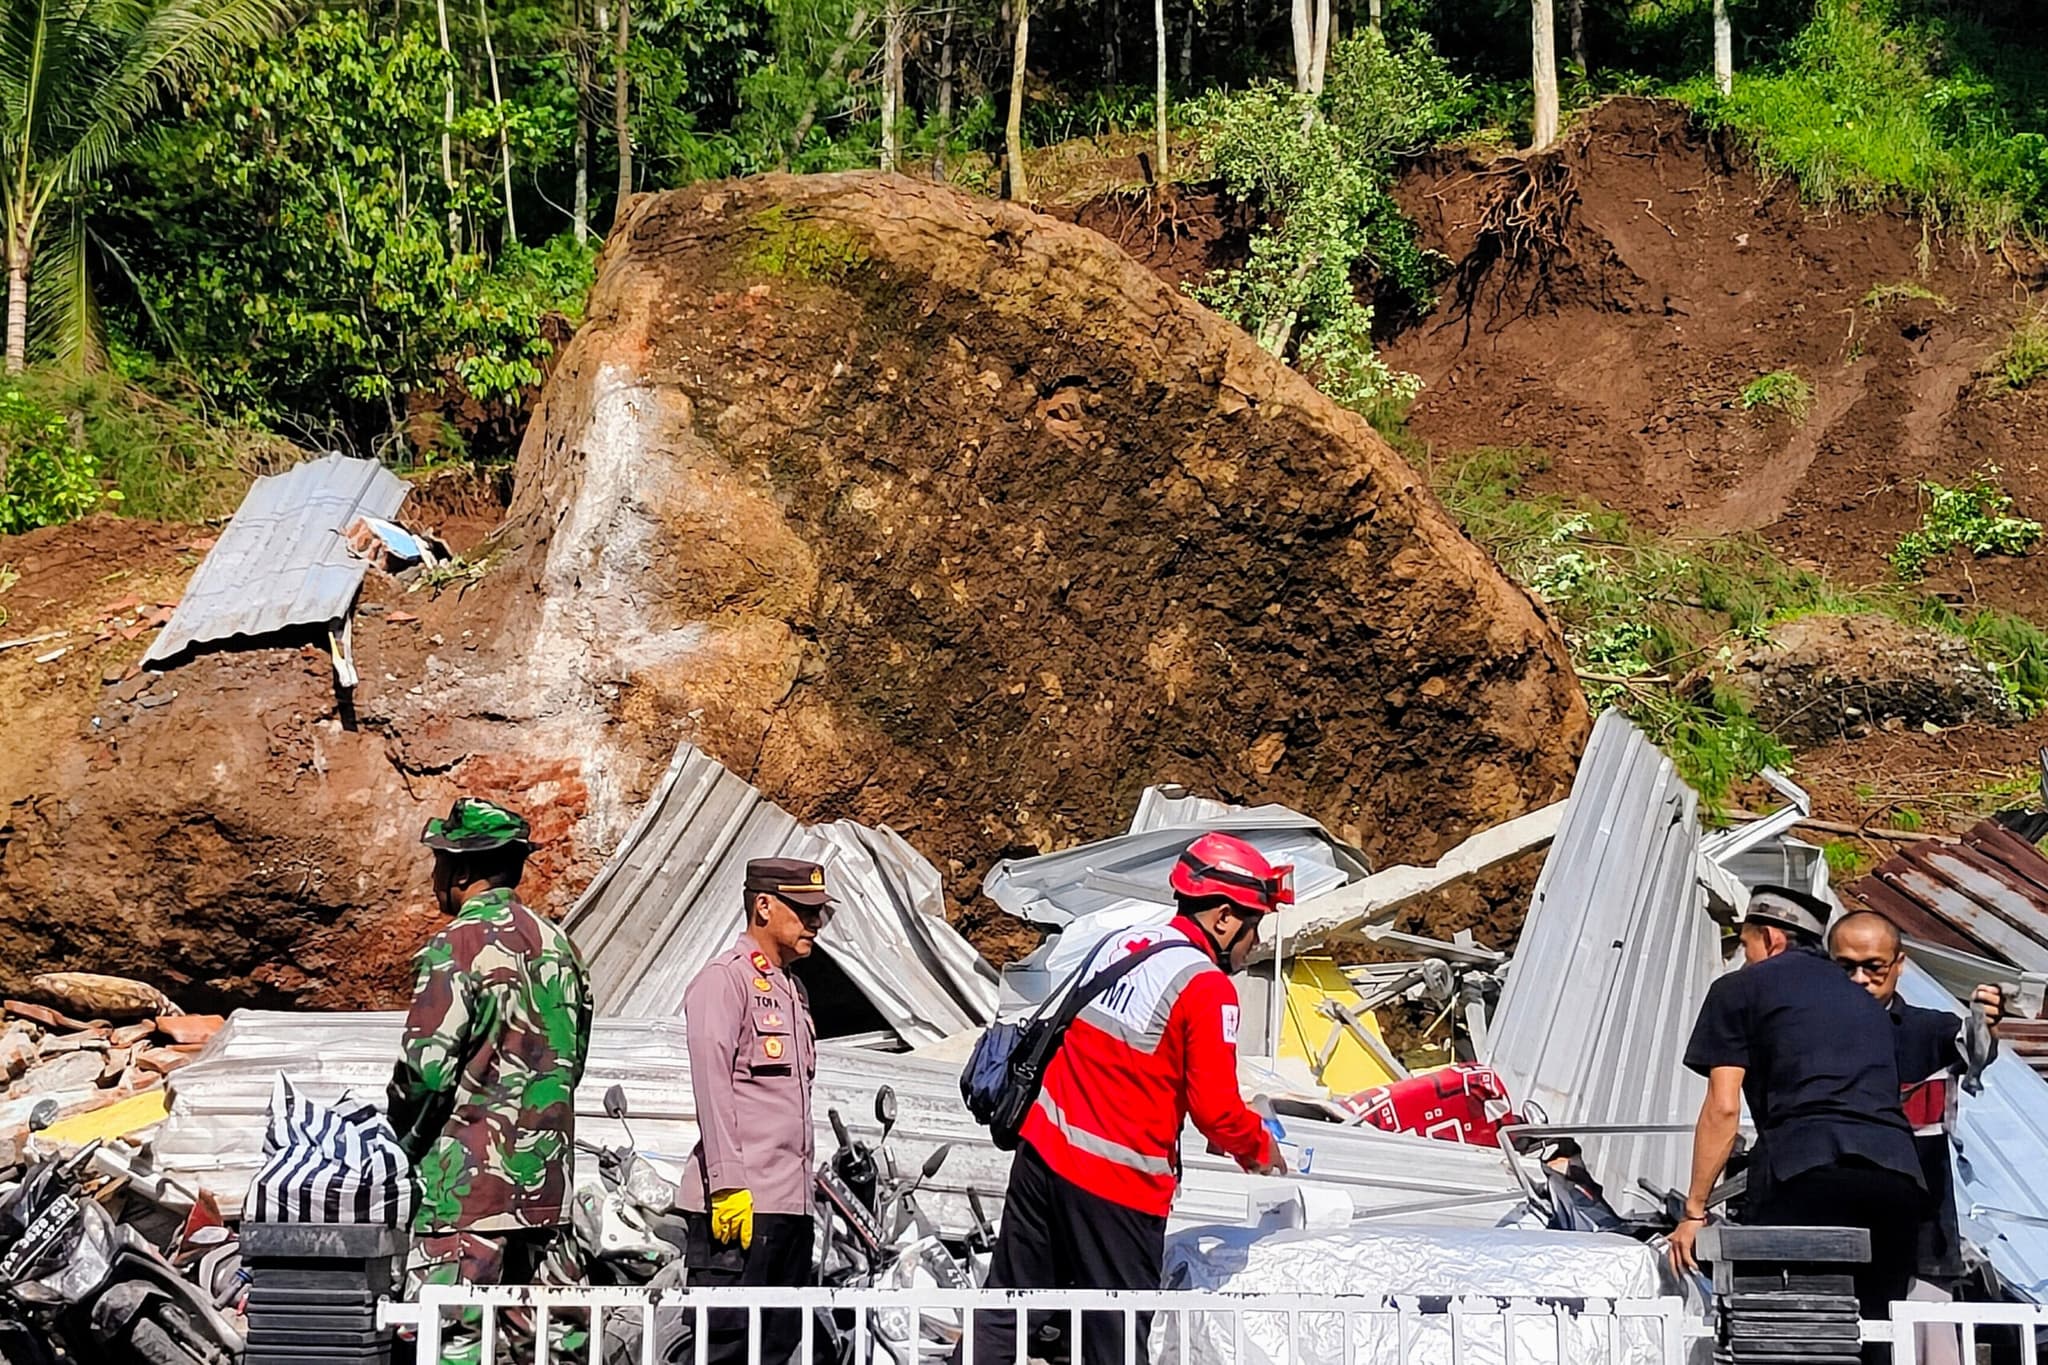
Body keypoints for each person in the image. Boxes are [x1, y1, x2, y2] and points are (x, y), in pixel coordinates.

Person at [960, 831, 1291, 1365]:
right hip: (1117, 1189)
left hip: (1041, 1155)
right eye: (1254, 927)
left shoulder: (1124, 944)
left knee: (1007, 1314)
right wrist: (1258, 1148)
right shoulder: (1207, 988)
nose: (1255, 944)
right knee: (1112, 1343)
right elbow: (1216, 1111)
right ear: (1224, 919)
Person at [387, 797, 594, 1365]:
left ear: (458, 871)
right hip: (546, 1194)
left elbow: (426, 1072)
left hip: (464, 1197)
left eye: (437, 865)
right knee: (546, 1349)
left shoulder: (455, 946)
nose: (435, 878)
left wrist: (397, 1147)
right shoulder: (563, 949)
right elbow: (570, 1063)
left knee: (450, 1346)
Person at [1670, 885, 1926, 1324]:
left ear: (1771, 938)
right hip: (1898, 1177)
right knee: (1878, 1327)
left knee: (1789, 1325)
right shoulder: (1864, 1001)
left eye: (1746, 944)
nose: (1743, 957)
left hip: (1805, 1171)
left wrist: (1695, 1210)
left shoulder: (1741, 989)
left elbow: (1723, 1108)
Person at [1828, 910, 2003, 1364]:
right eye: (1845, 967)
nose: (1860, 979)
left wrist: (1984, 1023)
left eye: (1874, 967)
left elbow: (1975, 1053)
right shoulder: (1805, 1034)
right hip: (1831, 1234)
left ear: (1899, 964)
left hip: (1919, 1237)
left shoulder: (1930, 1029)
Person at [680, 857, 833, 1365]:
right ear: (764, 906)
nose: (815, 924)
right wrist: (726, 1184)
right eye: (806, 912)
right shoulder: (724, 980)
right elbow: (712, 1087)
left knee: (777, 1350)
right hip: (741, 1205)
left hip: (790, 1208)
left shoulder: (794, 991)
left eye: (821, 915)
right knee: (722, 1349)